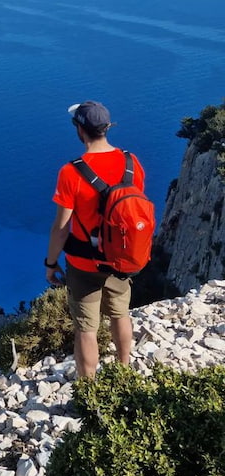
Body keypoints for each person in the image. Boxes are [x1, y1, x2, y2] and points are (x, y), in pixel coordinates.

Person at [44, 100, 145, 378]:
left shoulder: (71, 172)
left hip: (84, 264)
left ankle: (89, 389)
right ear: (106, 128)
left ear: (80, 129)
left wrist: (51, 263)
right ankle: (124, 371)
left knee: (86, 328)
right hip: (121, 259)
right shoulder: (131, 162)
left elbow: (61, 228)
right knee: (120, 314)